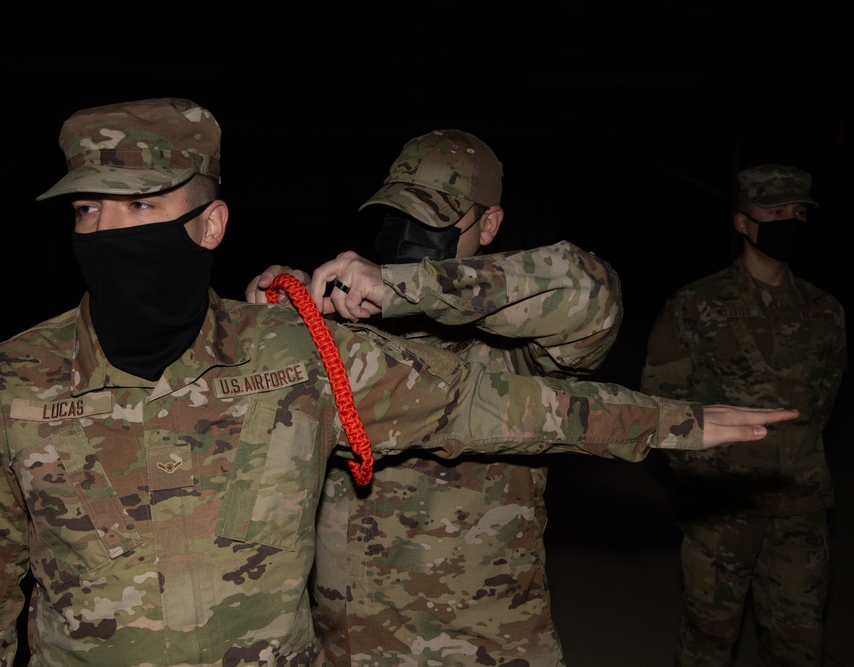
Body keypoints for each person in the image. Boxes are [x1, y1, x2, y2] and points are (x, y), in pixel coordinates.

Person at [0, 98, 797, 667]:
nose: (107, 230)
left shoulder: (348, 344)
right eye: (87, 209)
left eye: (140, 207)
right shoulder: (15, 382)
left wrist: (671, 422)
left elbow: (511, 386)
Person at [246, 128, 624, 666]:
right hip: (352, 648)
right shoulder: (341, 330)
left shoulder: (515, 343)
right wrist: (268, 325)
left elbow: (592, 290)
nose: (407, 236)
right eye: (396, 216)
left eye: (434, 219)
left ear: (488, 224)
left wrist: (406, 286)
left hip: (486, 648)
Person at [640, 163, 846, 666]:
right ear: (742, 222)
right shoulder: (694, 305)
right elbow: (660, 404)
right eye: (774, 212)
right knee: (709, 640)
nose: (788, 222)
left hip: (800, 505)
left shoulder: (825, 310)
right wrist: (704, 477)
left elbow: (824, 402)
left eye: (797, 212)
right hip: (723, 507)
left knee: (800, 642)